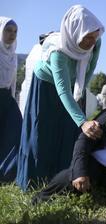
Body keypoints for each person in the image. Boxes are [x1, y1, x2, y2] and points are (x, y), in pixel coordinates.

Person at [16, 5, 105, 191]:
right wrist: (82, 121)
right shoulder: (58, 52)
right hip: (46, 87)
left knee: (67, 132)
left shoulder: (95, 42)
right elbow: (62, 90)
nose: (91, 42)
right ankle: (35, 182)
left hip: (71, 85)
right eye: (87, 37)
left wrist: (79, 91)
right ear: (75, 33)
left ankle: (61, 177)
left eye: (94, 37)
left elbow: (89, 68)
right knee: (43, 133)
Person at [0, 17, 22, 182]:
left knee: (15, 132)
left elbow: (12, 81)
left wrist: (12, 98)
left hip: (7, 99)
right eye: (8, 30)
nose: (12, 34)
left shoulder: (12, 55)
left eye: (15, 31)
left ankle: (7, 172)